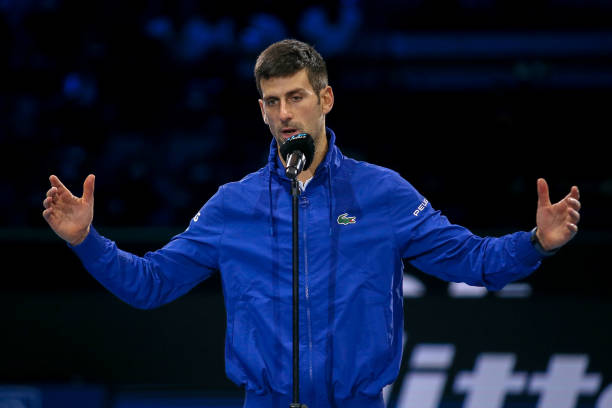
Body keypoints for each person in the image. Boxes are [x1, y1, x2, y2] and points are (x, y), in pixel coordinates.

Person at [42, 39, 581, 408]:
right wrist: (86, 241)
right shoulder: (234, 205)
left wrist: (537, 243)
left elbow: (474, 262)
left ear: (325, 99)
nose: (284, 114)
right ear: (260, 110)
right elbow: (151, 284)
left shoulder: (384, 194)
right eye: (272, 102)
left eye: (295, 97)